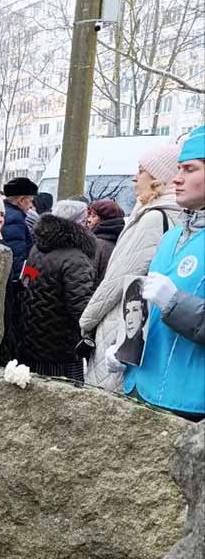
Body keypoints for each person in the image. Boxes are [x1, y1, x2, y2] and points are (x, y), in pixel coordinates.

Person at [113, 126, 205, 418]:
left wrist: (175, 303)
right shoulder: (170, 238)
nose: (176, 179)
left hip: (189, 406)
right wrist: (124, 349)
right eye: (178, 168)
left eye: (189, 169)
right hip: (140, 392)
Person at [80, 141, 181, 393]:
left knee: (105, 401)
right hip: (148, 324)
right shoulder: (172, 213)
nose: (134, 178)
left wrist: (86, 320)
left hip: (123, 323)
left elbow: (118, 278)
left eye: (141, 170)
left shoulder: (153, 217)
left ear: (158, 179)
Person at [19, 207, 96, 382]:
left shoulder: (36, 250)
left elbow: (26, 285)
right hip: (63, 348)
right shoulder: (75, 258)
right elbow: (81, 307)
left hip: (33, 339)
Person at [0, 177, 37, 364]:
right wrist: (30, 280)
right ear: (21, 200)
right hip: (13, 289)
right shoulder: (16, 221)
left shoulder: (8, 214)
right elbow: (19, 261)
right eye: (30, 200)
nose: (31, 206)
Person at [86, 199, 125, 286]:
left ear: (105, 220)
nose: (88, 220)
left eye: (93, 216)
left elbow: (86, 279)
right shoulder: (124, 243)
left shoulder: (96, 245)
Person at [115, 278, 148, 366]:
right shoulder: (118, 350)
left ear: (144, 315)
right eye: (127, 311)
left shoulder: (147, 349)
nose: (129, 319)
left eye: (135, 310)